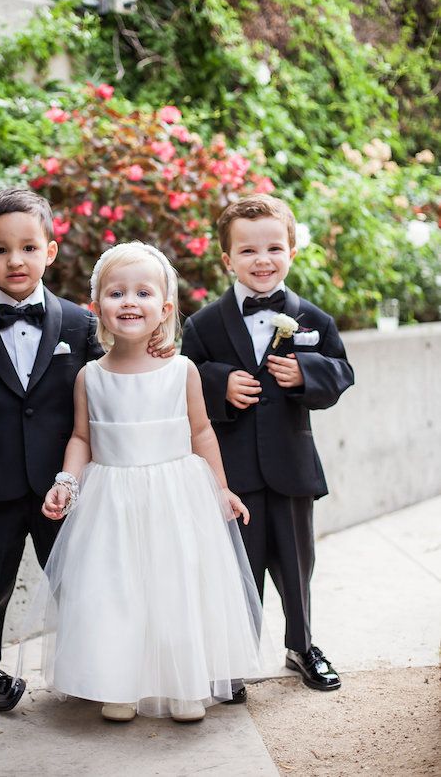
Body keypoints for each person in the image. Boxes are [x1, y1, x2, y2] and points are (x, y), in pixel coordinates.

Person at [0, 190, 171, 712]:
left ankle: (98, 666)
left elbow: (107, 385)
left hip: (64, 484)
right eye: (0, 250)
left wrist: (151, 349)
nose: (15, 260)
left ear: (50, 251)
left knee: (81, 575)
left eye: (27, 247)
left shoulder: (78, 323)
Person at [35, 242, 272, 723]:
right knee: (115, 591)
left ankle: (184, 683)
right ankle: (119, 683)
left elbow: (202, 432)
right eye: (116, 292)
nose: (129, 301)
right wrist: (66, 481)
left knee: (176, 587)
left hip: (175, 498)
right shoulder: (89, 377)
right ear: (97, 306)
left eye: (143, 292)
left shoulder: (180, 371)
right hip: (111, 501)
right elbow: (82, 437)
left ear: (164, 309)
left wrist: (221, 489)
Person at [181, 194, 354, 692]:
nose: (262, 260)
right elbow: (184, 379)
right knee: (238, 565)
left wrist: (307, 372)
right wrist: (220, 384)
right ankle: (234, 656)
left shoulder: (313, 320)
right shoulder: (204, 324)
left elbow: (342, 372)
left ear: (292, 251)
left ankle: (301, 644)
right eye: (248, 251)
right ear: (227, 259)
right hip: (232, 470)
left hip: (292, 464)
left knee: (298, 564)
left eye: (274, 248)